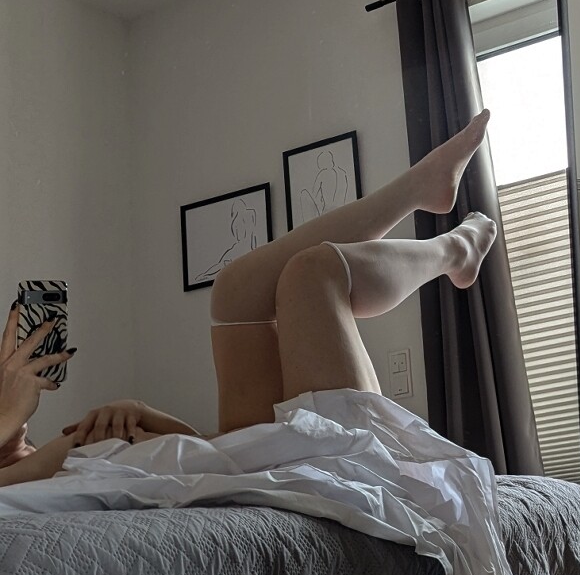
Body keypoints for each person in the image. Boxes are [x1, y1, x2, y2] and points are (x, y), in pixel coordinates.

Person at [0, 111, 495, 488]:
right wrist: (7, 421)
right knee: (312, 274)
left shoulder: (46, 461)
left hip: (238, 459)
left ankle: (421, 191)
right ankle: (454, 249)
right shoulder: (19, 487)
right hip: (307, 469)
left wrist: (142, 413)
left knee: (234, 290)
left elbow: (201, 453)